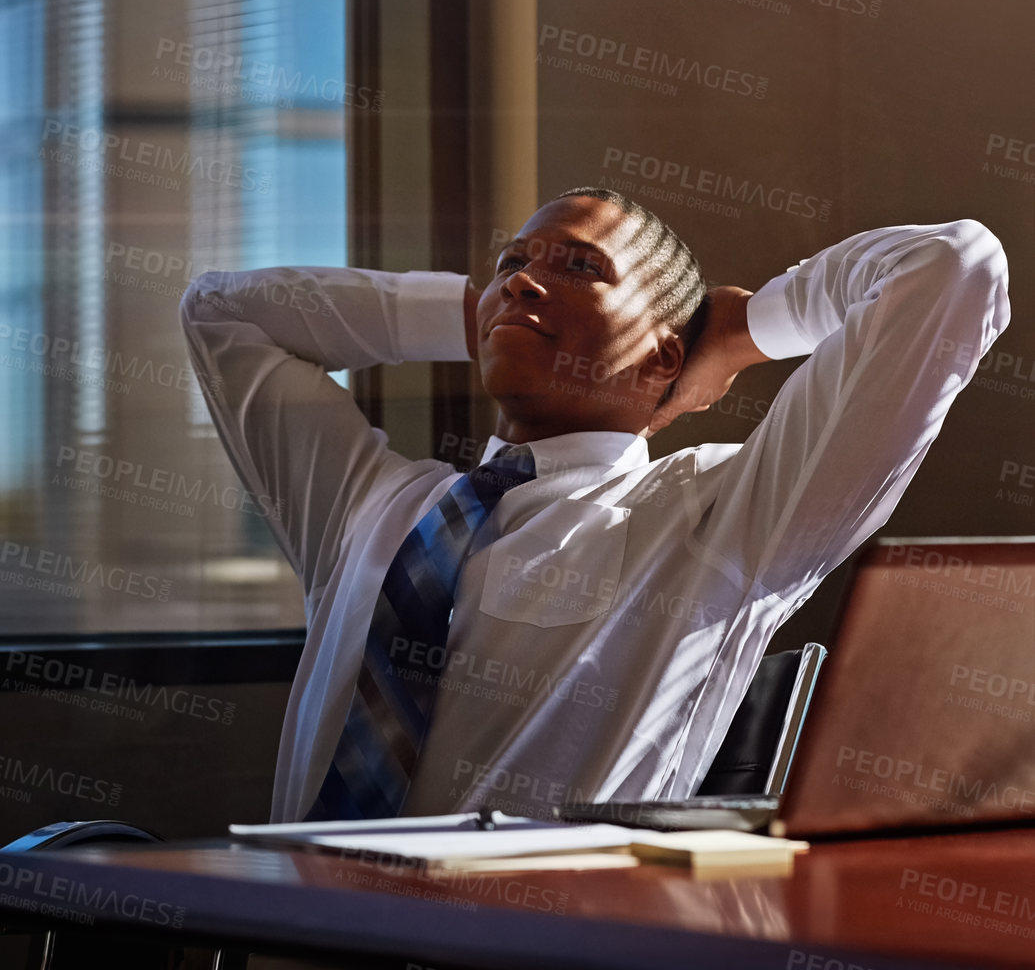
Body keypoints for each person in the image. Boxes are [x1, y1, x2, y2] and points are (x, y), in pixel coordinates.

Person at [180, 189, 1009, 821]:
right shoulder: (368, 506)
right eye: (513, 264)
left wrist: (750, 325)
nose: (525, 283)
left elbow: (951, 267)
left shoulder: (725, 513)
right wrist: (478, 312)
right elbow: (224, 314)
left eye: (579, 266)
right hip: (292, 938)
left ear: (665, 355)